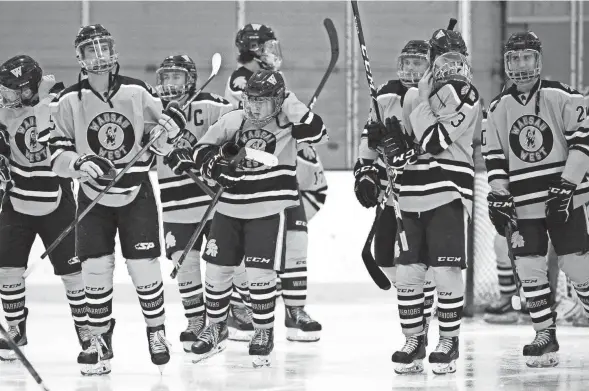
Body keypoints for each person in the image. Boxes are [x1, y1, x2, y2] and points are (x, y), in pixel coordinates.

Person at [47, 24, 185, 375]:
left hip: (135, 191)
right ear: (79, 57)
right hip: (93, 197)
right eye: (90, 50)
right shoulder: (67, 102)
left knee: (144, 266)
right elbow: (57, 152)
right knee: (95, 268)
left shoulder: (137, 92)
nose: (99, 56)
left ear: (113, 51)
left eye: (103, 48)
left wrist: (167, 134)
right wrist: (78, 163)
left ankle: (157, 333)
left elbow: (164, 140)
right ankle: (99, 339)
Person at [190, 70, 328, 367]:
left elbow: (319, 132)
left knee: (259, 275)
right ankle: (215, 328)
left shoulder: (290, 125)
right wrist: (214, 166)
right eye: (251, 100)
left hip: (268, 210)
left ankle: (263, 332)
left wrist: (290, 103)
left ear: (278, 100)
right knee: (216, 271)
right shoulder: (234, 119)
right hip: (228, 209)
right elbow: (201, 149)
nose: (254, 106)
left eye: (262, 101)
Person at [483, 31, 589, 368]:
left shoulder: (563, 96)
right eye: (514, 58)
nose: (520, 65)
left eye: (526, 57)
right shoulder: (498, 107)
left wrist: (567, 185)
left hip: (565, 200)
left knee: (576, 265)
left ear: (538, 60)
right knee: (529, 268)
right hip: (523, 204)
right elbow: (495, 157)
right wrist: (499, 194)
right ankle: (545, 334)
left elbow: (583, 143)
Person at [388, 27, 479, 375]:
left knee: (445, 270)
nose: (451, 65)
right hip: (411, 193)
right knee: (409, 272)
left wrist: (423, 100)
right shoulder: (412, 96)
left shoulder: (467, 95)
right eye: (443, 56)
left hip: (447, 192)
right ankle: (414, 341)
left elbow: (436, 140)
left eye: (457, 57)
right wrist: (392, 149)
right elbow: (411, 148)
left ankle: (448, 341)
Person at [224, 23, 323, 342]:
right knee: (243, 248)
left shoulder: (267, 80)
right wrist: (293, 118)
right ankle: (240, 307)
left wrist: (300, 125)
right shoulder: (242, 80)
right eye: (266, 47)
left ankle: (295, 310)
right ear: (253, 49)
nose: (272, 53)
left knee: (295, 238)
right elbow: (257, 120)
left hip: (277, 173)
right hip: (251, 170)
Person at [0, 55, 89, 362]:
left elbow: (62, 144)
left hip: (58, 203)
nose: (6, 96)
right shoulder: (3, 111)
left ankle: (87, 332)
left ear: (27, 89)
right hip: (16, 203)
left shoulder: (60, 103)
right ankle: (16, 329)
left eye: (12, 91)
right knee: (7, 270)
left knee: (74, 274)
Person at [355, 39, 438, 348]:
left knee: (418, 263)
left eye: (417, 62)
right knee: (383, 258)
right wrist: (366, 171)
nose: (409, 68)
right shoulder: (385, 93)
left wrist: (400, 141)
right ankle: (417, 310)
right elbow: (369, 139)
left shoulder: (438, 94)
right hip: (393, 193)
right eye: (406, 61)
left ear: (430, 65)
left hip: (426, 191)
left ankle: (421, 323)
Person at [153, 53, 233, 351]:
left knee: (219, 261)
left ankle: (220, 319)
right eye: (165, 77)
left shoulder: (213, 104)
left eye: (176, 76)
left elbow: (233, 134)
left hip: (211, 197)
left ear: (191, 79)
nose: (170, 83)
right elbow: (146, 149)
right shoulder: (153, 109)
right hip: (175, 200)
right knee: (183, 261)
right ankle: (196, 320)